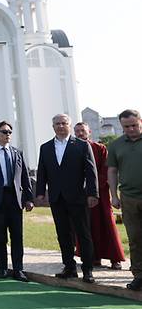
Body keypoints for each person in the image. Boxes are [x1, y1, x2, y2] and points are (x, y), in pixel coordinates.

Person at [37, 114, 98, 284]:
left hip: (78, 197)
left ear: (69, 126)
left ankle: (87, 270)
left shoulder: (81, 145)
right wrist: (40, 192)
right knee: (63, 234)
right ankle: (69, 267)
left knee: (83, 234)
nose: (61, 126)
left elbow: (91, 172)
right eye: (57, 123)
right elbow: (42, 171)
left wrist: (93, 194)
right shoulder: (46, 147)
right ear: (53, 126)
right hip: (57, 198)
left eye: (64, 123)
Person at [0, 121, 34, 282]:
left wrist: (29, 198)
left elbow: (25, 177)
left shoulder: (17, 153)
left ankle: (18, 269)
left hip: (15, 199)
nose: (8, 135)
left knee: (17, 236)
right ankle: (2, 268)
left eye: (10, 132)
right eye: (4, 132)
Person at [74, 122, 125, 270]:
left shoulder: (100, 148)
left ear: (89, 131)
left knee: (107, 225)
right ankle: (92, 257)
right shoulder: (72, 149)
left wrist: (93, 188)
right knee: (86, 226)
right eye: (77, 131)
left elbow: (107, 169)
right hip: (80, 195)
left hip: (100, 194)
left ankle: (115, 259)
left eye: (82, 131)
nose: (80, 134)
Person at [108, 109, 142, 291]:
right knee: (135, 238)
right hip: (128, 198)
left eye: (134, 125)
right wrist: (113, 195)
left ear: (141, 122)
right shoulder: (116, 145)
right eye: (126, 126)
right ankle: (138, 275)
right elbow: (112, 171)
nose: (131, 129)